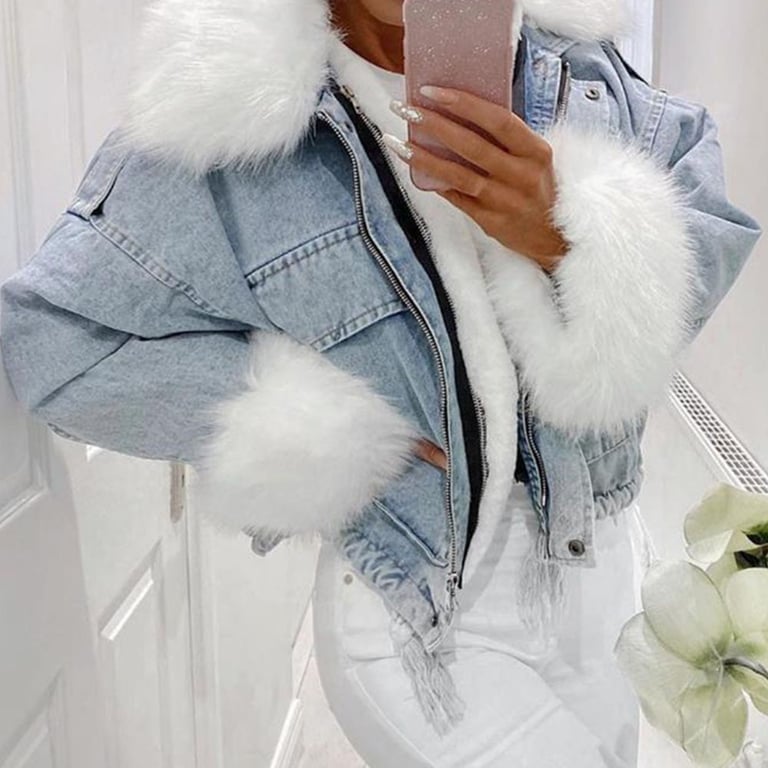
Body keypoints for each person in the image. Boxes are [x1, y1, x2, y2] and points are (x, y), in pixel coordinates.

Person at [0, 0, 761, 765]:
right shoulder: (229, 107)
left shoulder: (575, 66)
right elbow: (50, 339)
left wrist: (567, 238)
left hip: (601, 568)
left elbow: (710, 213)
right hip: (421, 603)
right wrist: (318, 428)